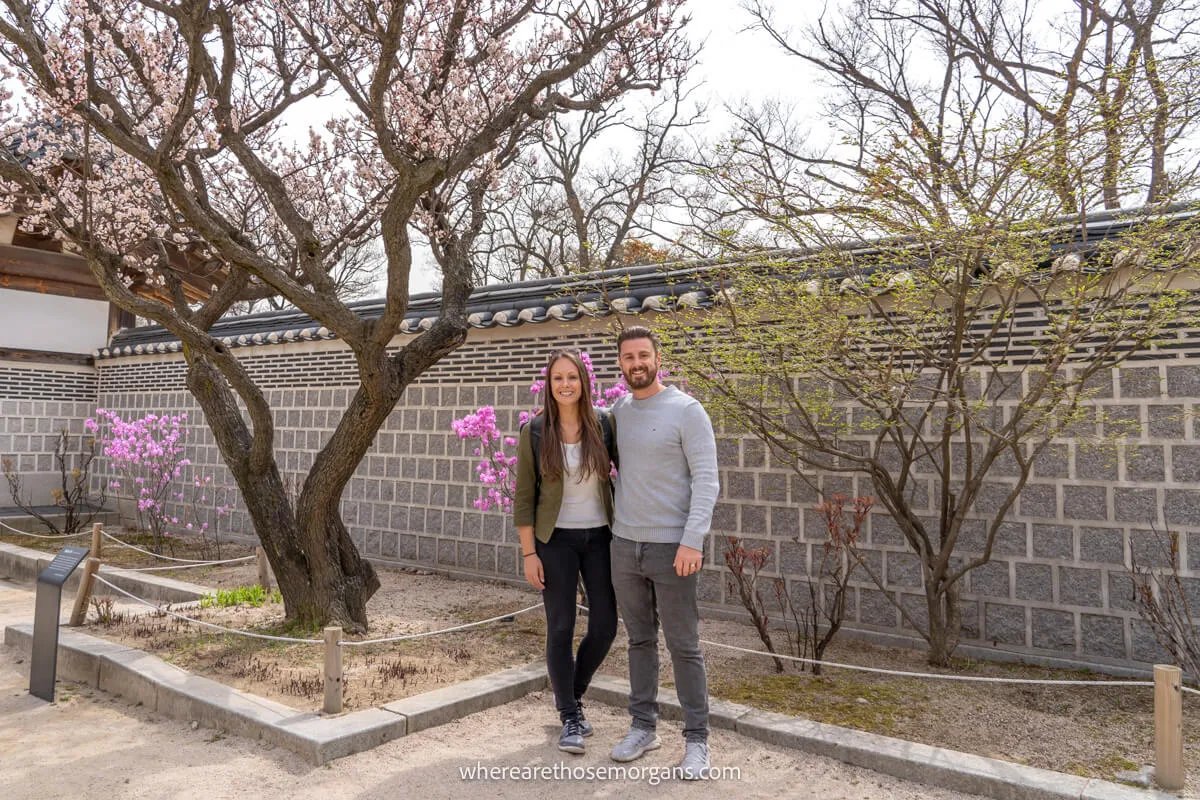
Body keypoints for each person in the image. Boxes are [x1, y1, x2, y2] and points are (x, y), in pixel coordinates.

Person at [607, 325, 720, 780]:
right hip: (624, 545)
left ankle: (697, 740)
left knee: (684, 646)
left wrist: (693, 539)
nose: (637, 364)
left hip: (674, 548)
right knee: (638, 640)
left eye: (643, 355)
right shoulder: (618, 410)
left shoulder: (687, 411)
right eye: (628, 357)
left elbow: (707, 480)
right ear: (620, 363)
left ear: (658, 358)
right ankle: (642, 727)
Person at [514, 348, 619, 755]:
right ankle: (570, 716)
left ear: (584, 381)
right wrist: (529, 554)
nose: (565, 385)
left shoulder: (605, 425)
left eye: (571, 377)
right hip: (553, 540)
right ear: (548, 385)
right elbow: (524, 497)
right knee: (560, 626)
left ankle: (571, 693)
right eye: (557, 378)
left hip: (600, 538)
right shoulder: (536, 430)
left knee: (606, 626)